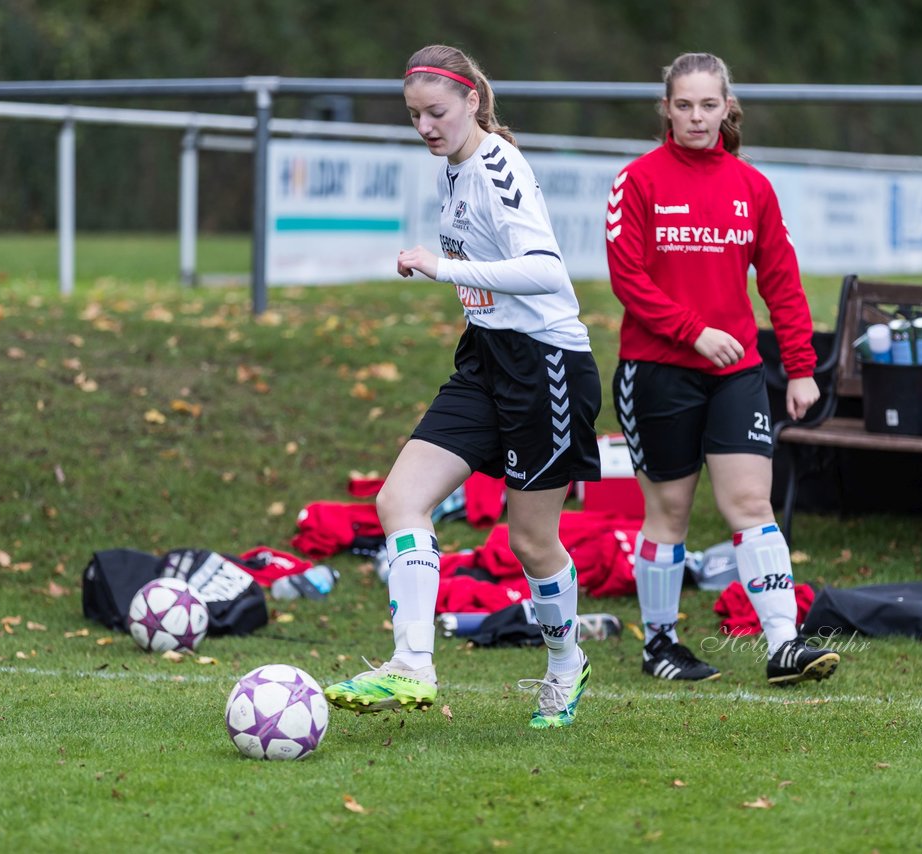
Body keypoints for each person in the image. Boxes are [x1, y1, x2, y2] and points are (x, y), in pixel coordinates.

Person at [324, 44, 603, 729]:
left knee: (530, 541)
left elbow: (545, 270)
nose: (425, 126)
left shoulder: (498, 165)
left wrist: (442, 268)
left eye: (436, 112)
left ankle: (567, 667)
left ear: (472, 100)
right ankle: (412, 664)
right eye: (414, 114)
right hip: (486, 359)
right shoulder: (453, 167)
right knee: (400, 500)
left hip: (546, 367)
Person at [605, 52, 839, 685]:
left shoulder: (752, 186)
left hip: (737, 372)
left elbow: (783, 283)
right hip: (657, 370)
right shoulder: (638, 181)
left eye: (709, 105)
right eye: (684, 105)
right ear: (667, 109)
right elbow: (627, 279)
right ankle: (660, 645)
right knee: (670, 514)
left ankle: (784, 644)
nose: (696, 117)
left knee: (748, 501)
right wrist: (693, 332)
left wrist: (800, 367)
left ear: (727, 108)